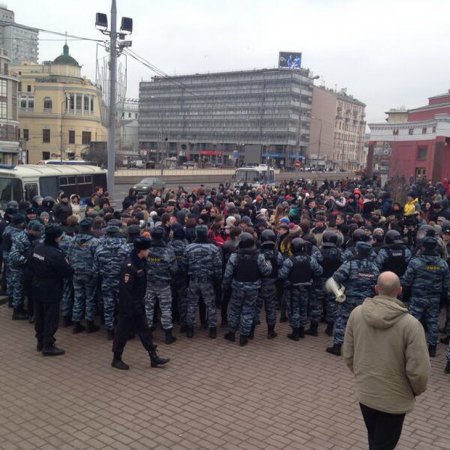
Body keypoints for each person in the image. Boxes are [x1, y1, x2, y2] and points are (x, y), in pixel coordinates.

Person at [343, 272, 430, 450]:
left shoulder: (356, 314)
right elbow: (419, 371)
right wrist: (414, 391)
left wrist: (363, 375)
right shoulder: (411, 325)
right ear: (399, 291)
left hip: (366, 392)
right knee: (382, 444)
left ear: (376, 289)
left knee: (375, 439)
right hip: (394, 399)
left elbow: (348, 355)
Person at [112, 237, 170, 370]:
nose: (149, 251)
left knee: (144, 331)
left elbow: (156, 257)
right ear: (141, 250)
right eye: (147, 249)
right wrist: (132, 306)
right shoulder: (129, 266)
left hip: (138, 303)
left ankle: (153, 357)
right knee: (122, 332)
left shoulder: (140, 261)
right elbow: (125, 290)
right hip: (128, 306)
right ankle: (116, 358)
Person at [327, 241, 380, 356]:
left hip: (349, 299)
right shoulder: (374, 266)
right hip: (366, 301)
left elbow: (336, 278)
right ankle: (360, 348)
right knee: (363, 323)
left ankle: (337, 346)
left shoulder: (349, 264)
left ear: (357, 250)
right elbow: (377, 283)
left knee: (342, 320)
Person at [401, 236, 450, 357]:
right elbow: (446, 284)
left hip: (418, 296)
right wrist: (443, 298)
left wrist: (405, 294)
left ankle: (408, 346)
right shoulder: (442, 264)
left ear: (422, 246)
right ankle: (432, 348)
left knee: (412, 321)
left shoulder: (415, 262)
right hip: (434, 298)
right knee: (433, 322)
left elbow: (407, 280)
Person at [222, 232, 272, 346]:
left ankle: (231, 333)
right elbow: (266, 272)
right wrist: (269, 263)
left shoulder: (234, 256)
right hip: (253, 288)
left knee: (234, 311)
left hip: (237, 287)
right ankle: (243, 337)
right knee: (248, 311)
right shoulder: (259, 256)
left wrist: (224, 287)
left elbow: (227, 274)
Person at [32, 224, 74, 356]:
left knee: (39, 315)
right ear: (56, 238)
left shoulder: (38, 248)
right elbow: (68, 271)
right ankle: (48, 345)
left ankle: (40, 341)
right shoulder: (55, 254)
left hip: (37, 285)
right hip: (51, 288)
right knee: (51, 317)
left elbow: (30, 263)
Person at [278, 238, 323, 341]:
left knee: (294, 310)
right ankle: (302, 331)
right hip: (306, 289)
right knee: (304, 309)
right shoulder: (310, 259)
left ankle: (296, 333)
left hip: (293, 289)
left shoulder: (289, 261)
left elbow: (282, 275)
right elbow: (319, 271)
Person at [183, 225, 223, 339]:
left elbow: (184, 265)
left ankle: (190, 329)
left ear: (196, 234)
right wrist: (218, 280)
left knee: (191, 304)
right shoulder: (214, 248)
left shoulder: (189, 248)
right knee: (210, 305)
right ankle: (212, 330)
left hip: (193, 280)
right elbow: (218, 266)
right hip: (208, 281)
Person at [144, 226, 178, 344]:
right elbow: (174, 269)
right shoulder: (169, 250)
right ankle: (168, 335)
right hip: (164, 284)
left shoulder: (146, 249)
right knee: (166, 309)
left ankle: (148, 334)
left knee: (148, 308)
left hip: (149, 282)